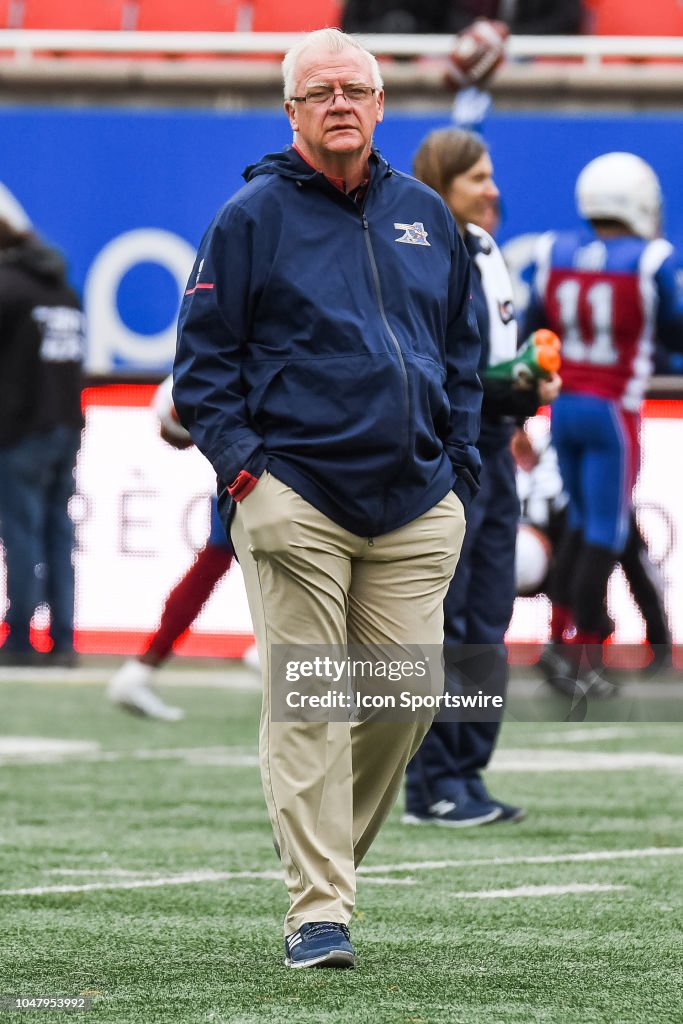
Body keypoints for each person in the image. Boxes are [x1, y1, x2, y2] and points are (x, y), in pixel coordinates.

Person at [173, 28, 482, 969]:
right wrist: (245, 473)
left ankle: (324, 862)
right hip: (294, 492)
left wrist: (459, 466)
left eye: (356, 87)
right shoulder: (249, 217)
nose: (340, 102)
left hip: (415, 498)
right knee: (310, 697)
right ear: (292, 112)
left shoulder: (427, 215)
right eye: (320, 92)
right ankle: (318, 909)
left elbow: (463, 353)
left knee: (407, 693)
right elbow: (201, 368)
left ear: (381, 105)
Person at [402, 129, 561, 829]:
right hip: (450, 455)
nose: (492, 189)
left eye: (491, 175)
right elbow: (436, 369)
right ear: (442, 185)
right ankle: (428, 781)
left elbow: (482, 364)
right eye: (476, 179)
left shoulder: (485, 250)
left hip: (491, 450)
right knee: (448, 621)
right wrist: (510, 384)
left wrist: (521, 385)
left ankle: (465, 772)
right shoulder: (428, 255)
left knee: (487, 619)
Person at [522, 152, 683, 695]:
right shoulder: (651, 259)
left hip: (562, 407)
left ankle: (558, 640)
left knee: (579, 525)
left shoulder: (552, 251)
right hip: (613, 411)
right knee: (604, 533)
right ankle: (581, 654)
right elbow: (676, 333)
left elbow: (532, 330)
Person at [107, 376, 257, 721]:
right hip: (264, 464)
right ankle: (279, 651)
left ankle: (143, 667)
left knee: (216, 562)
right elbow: (173, 421)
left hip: (256, 460)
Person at [0, 217, 85, 667]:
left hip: (20, 433)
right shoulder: (63, 291)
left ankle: (18, 637)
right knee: (56, 535)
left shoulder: (7, 289)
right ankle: (64, 638)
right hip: (65, 428)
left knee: (21, 534)